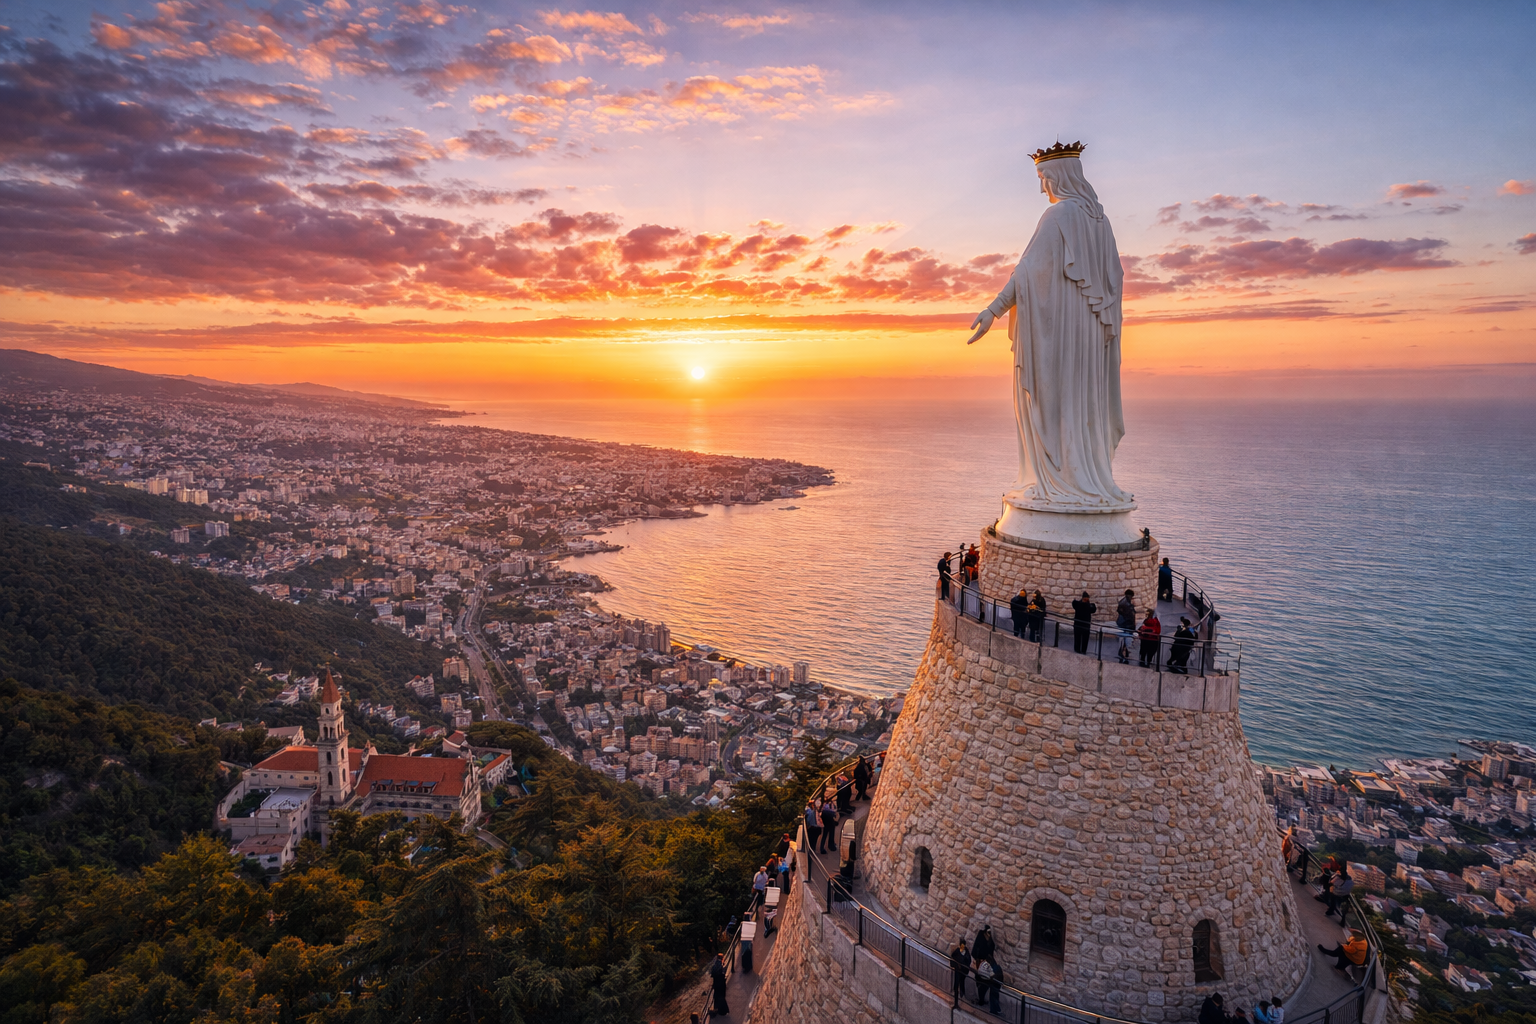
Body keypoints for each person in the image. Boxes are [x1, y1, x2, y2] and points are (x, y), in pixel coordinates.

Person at [709, 953, 729, 1017]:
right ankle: (722, 1011)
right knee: (721, 997)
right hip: (721, 984)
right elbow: (722, 974)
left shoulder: (714, 965)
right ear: (722, 958)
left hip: (716, 983)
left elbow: (712, 974)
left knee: (717, 997)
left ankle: (717, 1009)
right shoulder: (721, 965)